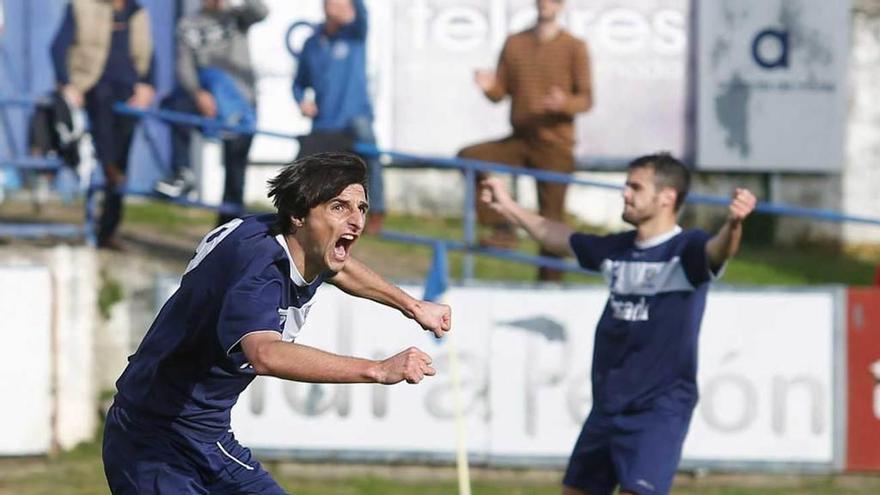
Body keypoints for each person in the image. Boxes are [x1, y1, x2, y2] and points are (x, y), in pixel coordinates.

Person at [102, 152, 452, 494]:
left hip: (209, 438)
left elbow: (340, 269)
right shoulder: (260, 274)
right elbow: (265, 354)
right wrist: (377, 369)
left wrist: (413, 306)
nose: (357, 220)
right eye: (338, 207)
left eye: (361, 208)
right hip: (150, 441)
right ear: (300, 215)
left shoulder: (291, 239)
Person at [480, 153, 756, 495]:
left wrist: (733, 225)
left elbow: (719, 250)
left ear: (667, 196)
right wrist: (508, 206)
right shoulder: (619, 249)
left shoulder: (686, 251)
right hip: (608, 405)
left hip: (656, 409)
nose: (625, 194)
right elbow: (558, 237)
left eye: (635, 187)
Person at [458, 0, 592, 281]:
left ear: (561, 5)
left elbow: (586, 99)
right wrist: (488, 86)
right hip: (521, 139)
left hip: (556, 144)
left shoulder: (574, 46)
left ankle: (550, 282)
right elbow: (500, 93)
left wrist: (564, 103)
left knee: (551, 218)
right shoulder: (515, 43)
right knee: (471, 156)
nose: (546, 4)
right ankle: (502, 229)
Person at [51, 0, 156, 250]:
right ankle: (108, 171)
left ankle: (108, 229)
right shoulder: (81, 6)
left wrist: (147, 84)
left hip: (128, 94)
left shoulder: (137, 12)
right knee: (106, 151)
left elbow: (150, 55)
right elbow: (57, 48)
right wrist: (67, 84)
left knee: (122, 161)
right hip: (93, 89)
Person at [160, 0, 267, 225]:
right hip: (207, 101)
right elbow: (184, 66)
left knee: (235, 177)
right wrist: (198, 93)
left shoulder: (237, 17)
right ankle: (182, 172)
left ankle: (229, 232)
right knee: (173, 106)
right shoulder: (188, 24)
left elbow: (261, 11)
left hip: (242, 106)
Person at [293, 0, 385, 234]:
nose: (340, 7)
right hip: (324, 121)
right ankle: (301, 216)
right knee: (307, 169)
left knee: (370, 160)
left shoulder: (354, 34)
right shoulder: (312, 43)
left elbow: (363, 14)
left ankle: (376, 212)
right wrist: (302, 101)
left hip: (356, 117)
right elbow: (299, 83)